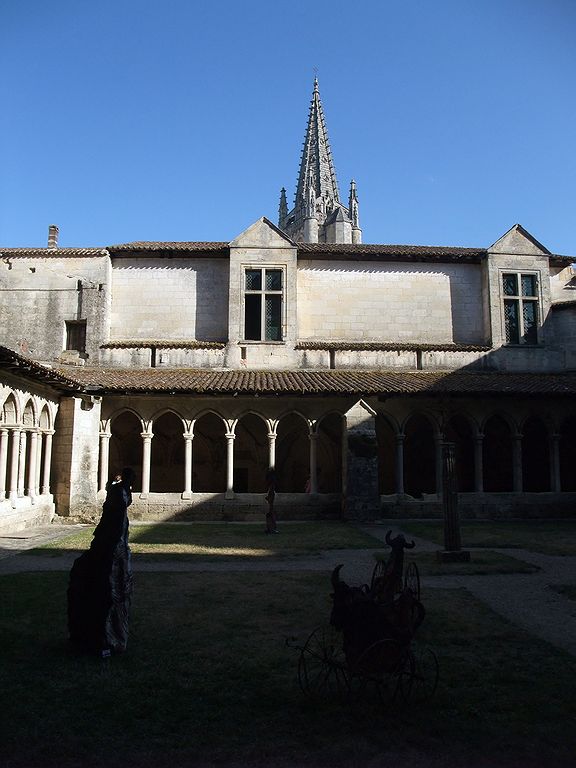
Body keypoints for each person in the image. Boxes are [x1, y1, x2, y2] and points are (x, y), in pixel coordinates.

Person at [67, 467, 135, 655]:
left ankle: (112, 635)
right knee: (112, 592)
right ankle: (109, 636)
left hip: (112, 549)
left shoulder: (118, 497)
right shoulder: (117, 498)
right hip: (112, 552)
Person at [264, 468, 278, 534]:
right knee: (269, 516)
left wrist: (269, 500)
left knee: (270, 516)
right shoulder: (271, 487)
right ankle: (270, 529)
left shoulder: (271, 487)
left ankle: (272, 529)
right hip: (270, 503)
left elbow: (271, 496)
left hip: (270, 504)